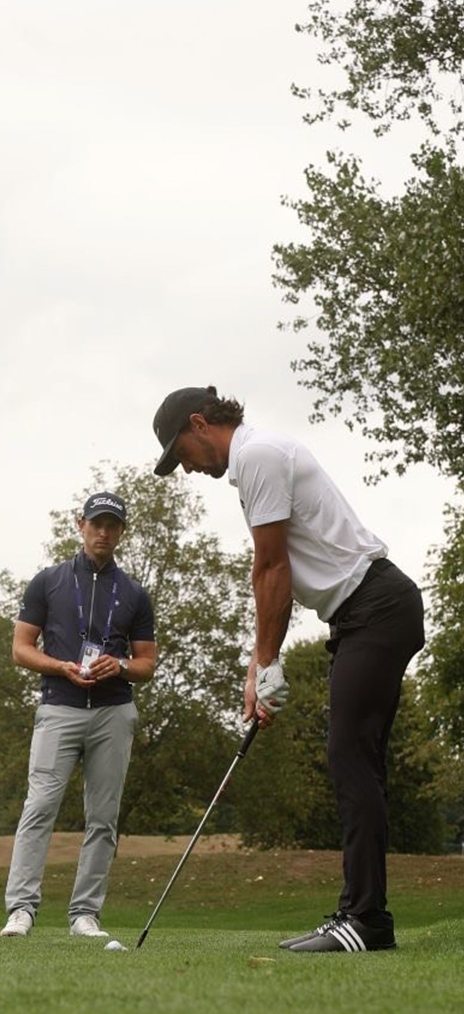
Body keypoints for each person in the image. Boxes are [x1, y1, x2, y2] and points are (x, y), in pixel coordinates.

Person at [153, 385, 426, 953]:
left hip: (376, 607)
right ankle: (365, 915)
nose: (186, 468)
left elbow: (271, 568)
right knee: (358, 760)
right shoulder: (259, 458)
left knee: (349, 756)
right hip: (365, 614)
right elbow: (278, 571)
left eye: (181, 454)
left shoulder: (257, 456)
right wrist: (258, 666)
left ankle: (365, 920)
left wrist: (268, 661)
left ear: (200, 424)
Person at [0, 492, 159, 940]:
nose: (103, 532)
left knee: (103, 818)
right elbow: (21, 649)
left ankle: (85, 915)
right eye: (96, 523)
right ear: (80, 525)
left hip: (113, 712)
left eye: (112, 525)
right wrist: (60, 666)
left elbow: (146, 663)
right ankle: (21, 910)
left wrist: (121, 665)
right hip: (58, 707)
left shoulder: (133, 594)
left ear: (123, 531)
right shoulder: (47, 581)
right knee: (40, 807)